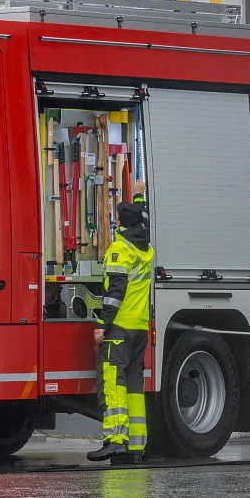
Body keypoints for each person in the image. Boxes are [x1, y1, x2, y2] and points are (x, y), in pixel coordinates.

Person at [88, 183, 153, 464]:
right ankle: (136, 446)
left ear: (120, 223)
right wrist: (139, 195)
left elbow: (115, 292)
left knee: (113, 382)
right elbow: (144, 216)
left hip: (120, 328)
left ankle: (115, 440)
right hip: (139, 327)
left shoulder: (120, 249)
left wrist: (102, 323)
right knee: (135, 385)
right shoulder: (146, 248)